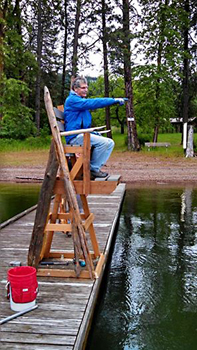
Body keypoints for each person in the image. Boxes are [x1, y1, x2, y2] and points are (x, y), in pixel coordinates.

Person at [64, 76, 125, 178]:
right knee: (105, 143)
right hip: (75, 137)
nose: (86, 90)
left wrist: (94, 133)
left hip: (81, 135)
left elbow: (84, 124)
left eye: (86, 87)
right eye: (83, 88)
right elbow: (94, 103)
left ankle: (89, 168)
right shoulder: (73, 100)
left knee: (109, 143)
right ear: (75, 89)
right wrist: (113, 100)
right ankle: (92, 169)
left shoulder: (79, 101)